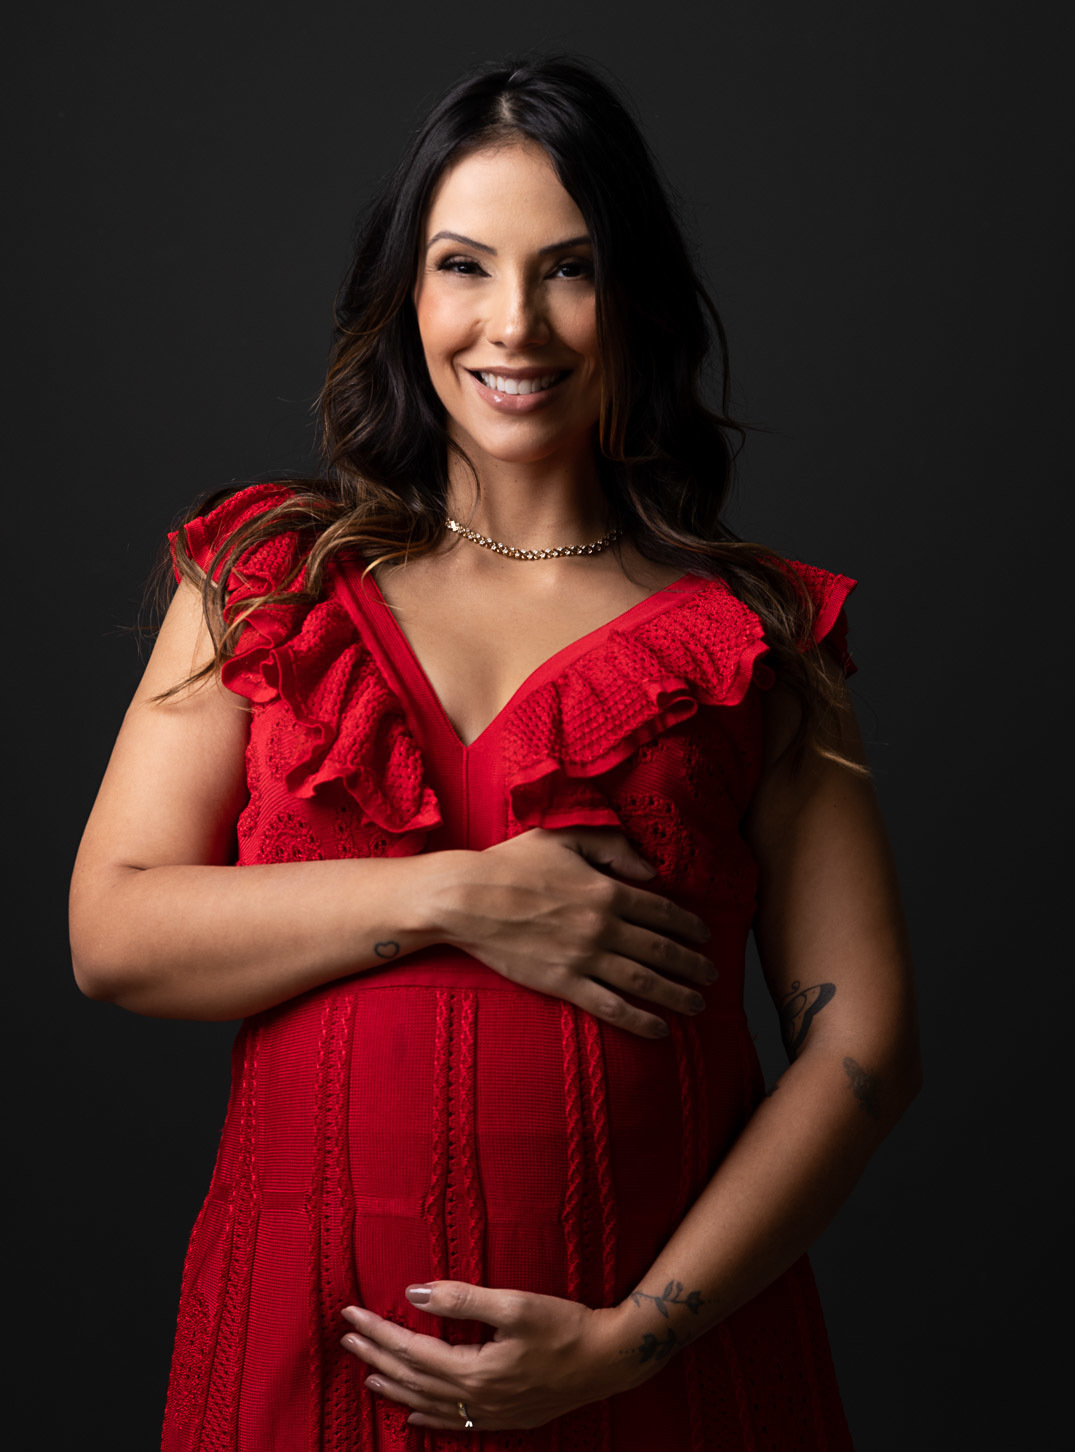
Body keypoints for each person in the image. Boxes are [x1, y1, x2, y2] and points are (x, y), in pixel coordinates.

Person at [69, 52, 921, 1451]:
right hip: (308, 1360)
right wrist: (454, 894)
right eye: (464, 266)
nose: (513, 324)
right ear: (406, 295)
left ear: (637, 298)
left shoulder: (754, 636)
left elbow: (865, 1041)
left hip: (660, 1380)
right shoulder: (270, 578)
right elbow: (111, 933)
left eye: (570, 270)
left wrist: (630, 1341)